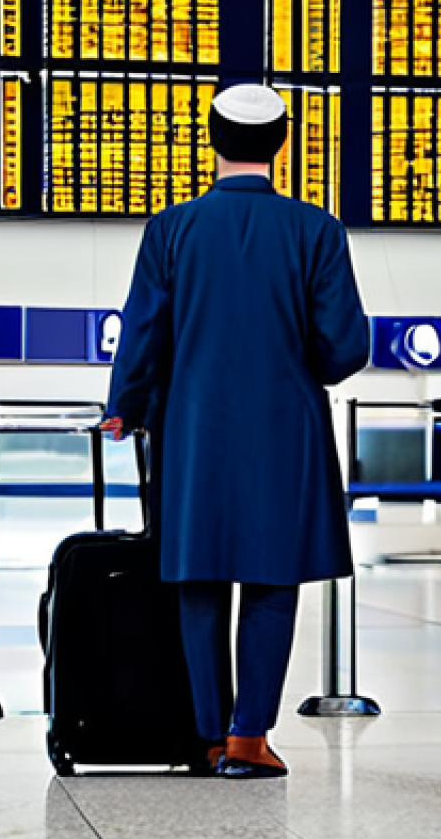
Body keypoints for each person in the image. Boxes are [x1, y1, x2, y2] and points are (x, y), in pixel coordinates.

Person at [102, 84, 369, 779]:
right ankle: (251, 739)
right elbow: (345, 349)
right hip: (287, 430)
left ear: (213, 139)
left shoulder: (171, 228)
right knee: (271, 578)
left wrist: (123, 406)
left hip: (191, 428)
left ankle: (207, 737)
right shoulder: (317, 230)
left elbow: (143, 331)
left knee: (199, 575)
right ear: (283, 142)